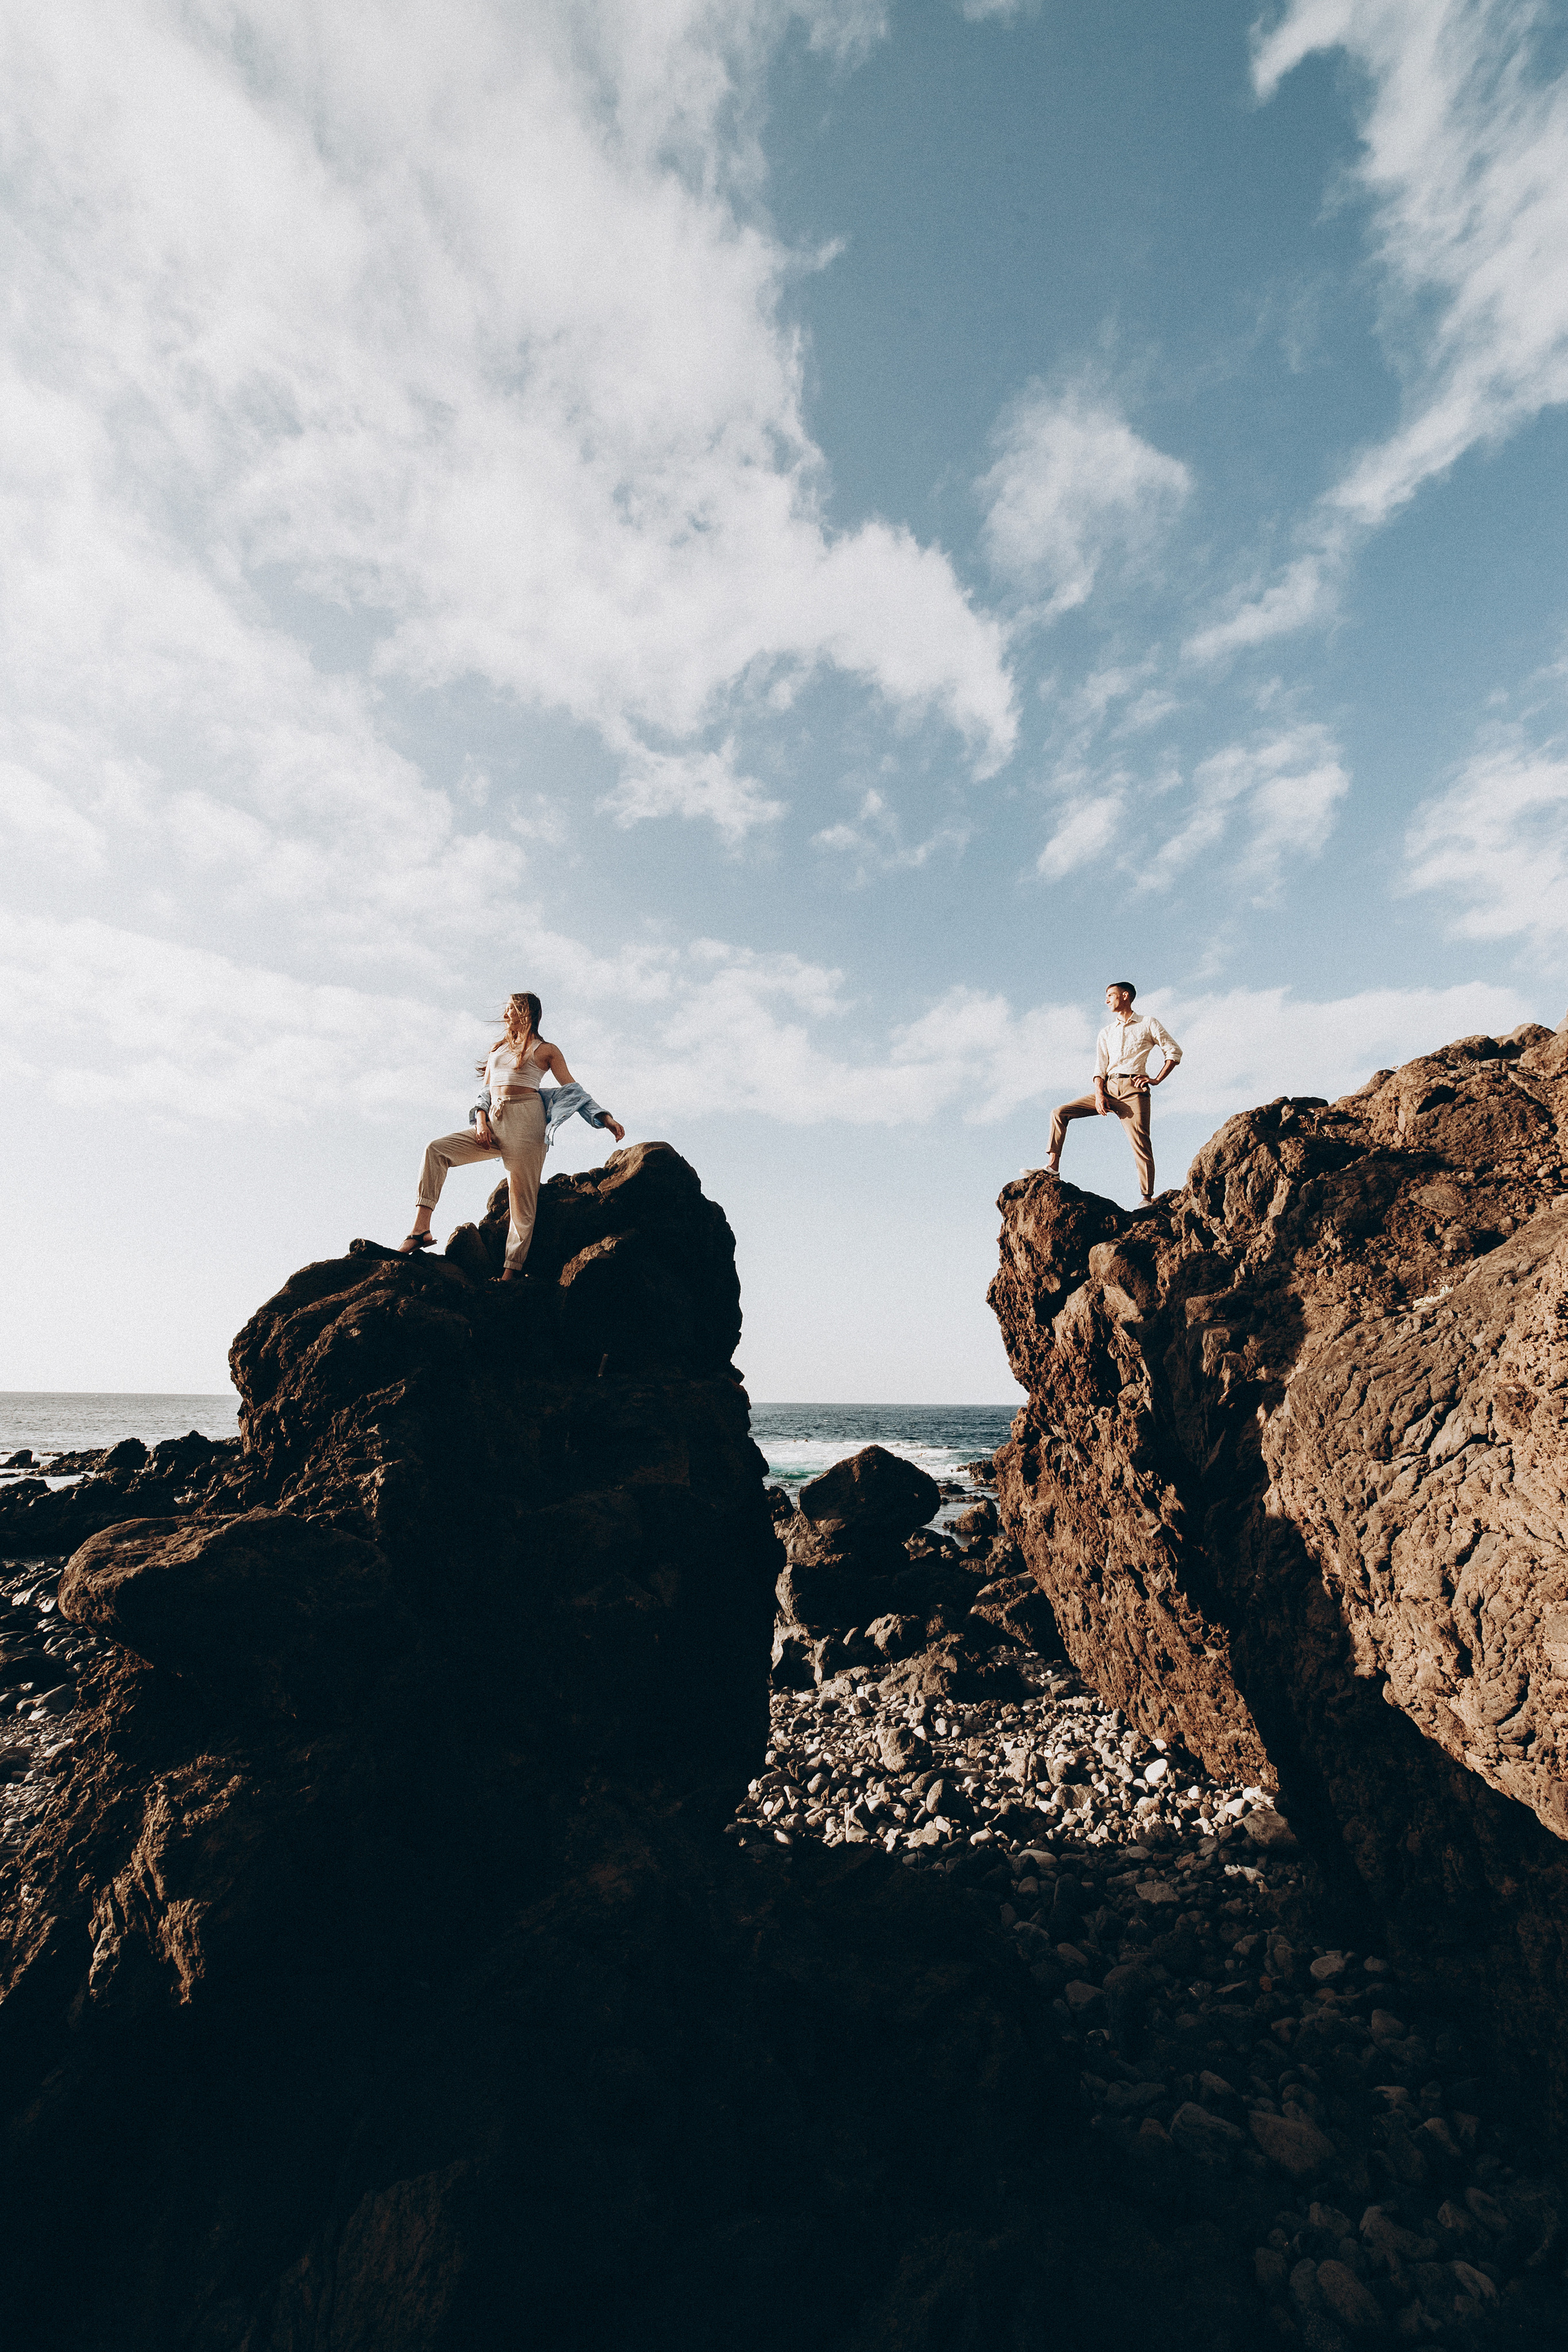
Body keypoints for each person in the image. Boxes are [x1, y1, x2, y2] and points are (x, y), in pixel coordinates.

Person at [399, 992, 625, 1278]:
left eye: (511, 1010)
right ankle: (420, 1230)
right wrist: (481, 1122)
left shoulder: (546, 1050)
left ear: (526, 1013)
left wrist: (605, 1118)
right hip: (493, 1122)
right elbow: (485, 1093)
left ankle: (510, 1272)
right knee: (436, 1150)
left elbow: (573, 1090)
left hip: (527, 1124)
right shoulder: (498, 1050)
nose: (505, 1015)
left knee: (521, 1200)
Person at [1039, 981, 1181, 1205]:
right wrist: (1099, 1094)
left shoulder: (1147, 1023)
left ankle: (1146, 1199)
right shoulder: (1106, 1032)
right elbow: (1100, 1068)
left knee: (1141, 1143)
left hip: (1134, 1091)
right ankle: (1053, 1167)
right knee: (1059, 1113)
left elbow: (1173, 1052)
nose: (1106, 1000)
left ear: (1125, 996)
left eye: (1110, 995)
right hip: (1108, 1089)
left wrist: (1156, 1079)